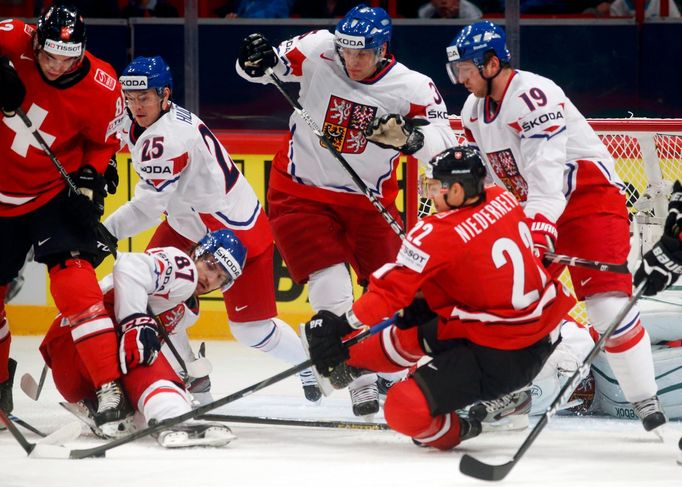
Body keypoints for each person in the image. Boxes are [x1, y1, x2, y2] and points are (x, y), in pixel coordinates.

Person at [443, 20, 666, 432]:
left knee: (605, 305)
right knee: (506, 303)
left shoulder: (534, 94)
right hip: (533, 209)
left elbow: (547, 171)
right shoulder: (473, 111)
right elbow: (486, 179)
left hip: (588, 201)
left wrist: (540, 227)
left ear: (492, 64)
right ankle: (514, 392)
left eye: (467, 69)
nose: (462, 79)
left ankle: (644, 399)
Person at [235, 4, 458, 416]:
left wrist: (410, 138)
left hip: (369, 203)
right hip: (300, 193)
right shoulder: (320, 48)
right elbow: (263, 68)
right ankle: (360, 376)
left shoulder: (413, 87)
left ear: (383, 48)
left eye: (362, 53)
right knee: (329, 280)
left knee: (393, 293)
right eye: (347, 51)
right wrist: (254, 59)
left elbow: (446, 147)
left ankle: (385, 369)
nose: (352, 61)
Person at [300, 146, 576, 449]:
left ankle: (460, 426)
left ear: (457, 190)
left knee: (403, 408)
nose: (430, 194)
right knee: (411, 328)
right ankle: (352, 364)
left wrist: (343, 326)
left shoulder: (439, 232)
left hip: (499, 356)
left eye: (435, 187)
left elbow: (389, 292)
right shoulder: (503, 198)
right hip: (537, 330)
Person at [102, 56, 321, 404]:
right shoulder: (144, 119)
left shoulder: (168, 139)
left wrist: (103, 233)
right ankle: (192, 372)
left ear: (165, 94)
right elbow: (107, 138)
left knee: (251, 329)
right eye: (131, 97)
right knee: (146, 289)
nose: (136, 105)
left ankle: (309, 362)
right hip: (189, 220)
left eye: (144, 97)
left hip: (235, 228)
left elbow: (146, 209)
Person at [0, 5, 126, 431]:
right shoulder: (12, 37)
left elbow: (104, 143)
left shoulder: (104, 85)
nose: (56, 67)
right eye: (49, 56)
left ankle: (109, 385)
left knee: (74, 278)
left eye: (67, 59)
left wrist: (89, 182)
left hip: (54, 189)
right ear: (36, 41)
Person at [41, 229, 243, 444]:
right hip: (83, 343)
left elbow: (174, 341)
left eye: (221, 278)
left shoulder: (186, 310)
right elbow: (129, 265)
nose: (210, 278)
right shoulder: (182, 267)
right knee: (142, 353)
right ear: (197, 253)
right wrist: (135, 321)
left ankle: (108, 415)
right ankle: (173, 418)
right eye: (211, 265)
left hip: (80, 377)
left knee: (141, 408)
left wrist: (196, 386)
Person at [418, 0, 483, 19]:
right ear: (432, 2)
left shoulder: (470, 11)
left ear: (457, 1)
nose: (443, 1)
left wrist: (455, 17)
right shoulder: (424, 12)